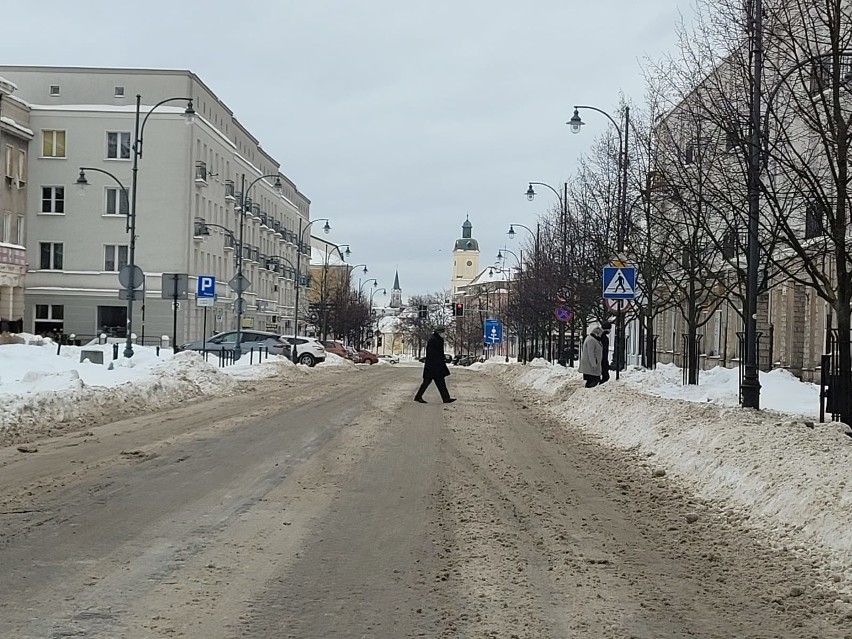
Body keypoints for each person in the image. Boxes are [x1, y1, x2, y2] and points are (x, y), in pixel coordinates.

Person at [414, 326, 456, 404]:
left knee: (439, 383)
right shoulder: (435, 340)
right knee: (430, 382)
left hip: (434, 366)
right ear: (439, 332)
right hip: (434, 366)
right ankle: (418, 397)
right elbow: (433, 353)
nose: (444, 334)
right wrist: (440, 360)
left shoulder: (436, 339)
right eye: (443, 332)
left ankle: (446, 398)